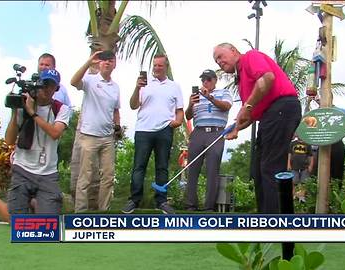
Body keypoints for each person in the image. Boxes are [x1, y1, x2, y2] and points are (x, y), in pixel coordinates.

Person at [213, 43, 301, 213]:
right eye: (216, 61)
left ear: (233, 50)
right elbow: (251, 115)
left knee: (271, 166)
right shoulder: (241, 81)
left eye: (220, 56)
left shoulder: (250, 57)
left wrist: (246, 107)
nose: (219, 62)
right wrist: (236, 128)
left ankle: (274, 219)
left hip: (282, 109)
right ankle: (265, 215)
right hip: (269, 116)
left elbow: (267, 79)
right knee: (259, 168)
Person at [0, 69, 70, 223]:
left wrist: (32, 112)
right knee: (18, 223)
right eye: (44, 84)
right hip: (23, 169)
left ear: (56, 88)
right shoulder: (24, 105)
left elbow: (55, 133)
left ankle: (34, 204)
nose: (46, 88)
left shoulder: (61, 109)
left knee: (49, 226)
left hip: (48, 173)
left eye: (51, 85)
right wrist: (15, 112)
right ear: (38, 84)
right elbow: (10, 140)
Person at [122, 54, 184, 214]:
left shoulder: (174, 86)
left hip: (164, 130)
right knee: (139, 166)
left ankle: (161, 201)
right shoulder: (144, 84)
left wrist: (176, 122)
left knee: (162, 167)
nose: (156, 68)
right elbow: (133, 105)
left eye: (159, 65)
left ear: (166, 67)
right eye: (154, 65)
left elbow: (180, 111)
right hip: (143, 129)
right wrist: (137, 87)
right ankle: (134, 200)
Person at [71, 50, 121, 212]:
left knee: (108, 177)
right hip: (89, 136)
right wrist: (88, 62)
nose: (107, 63)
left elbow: (115, 110)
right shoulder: (90, 81)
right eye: (104, 60)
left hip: (107, 138)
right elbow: (73, 82)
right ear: (99, 63)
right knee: (85, 176)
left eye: (110, 60)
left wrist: (117, 126)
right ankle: (80, 212)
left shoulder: (115, 87)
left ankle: (103, 212)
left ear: (114, 64)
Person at [184, 69, 232, 211]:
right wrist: (191, 104)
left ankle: (208, 207)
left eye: (208, 79)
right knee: (193, 168)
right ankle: (190, 205)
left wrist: (210, 97)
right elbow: (188, 116)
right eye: (203, 79)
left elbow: (226, 106)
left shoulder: (224, 93)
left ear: (215, 80)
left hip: (215, 133)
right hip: (198, 132)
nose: (205, 82)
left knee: (212, 170)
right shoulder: (196, 96)